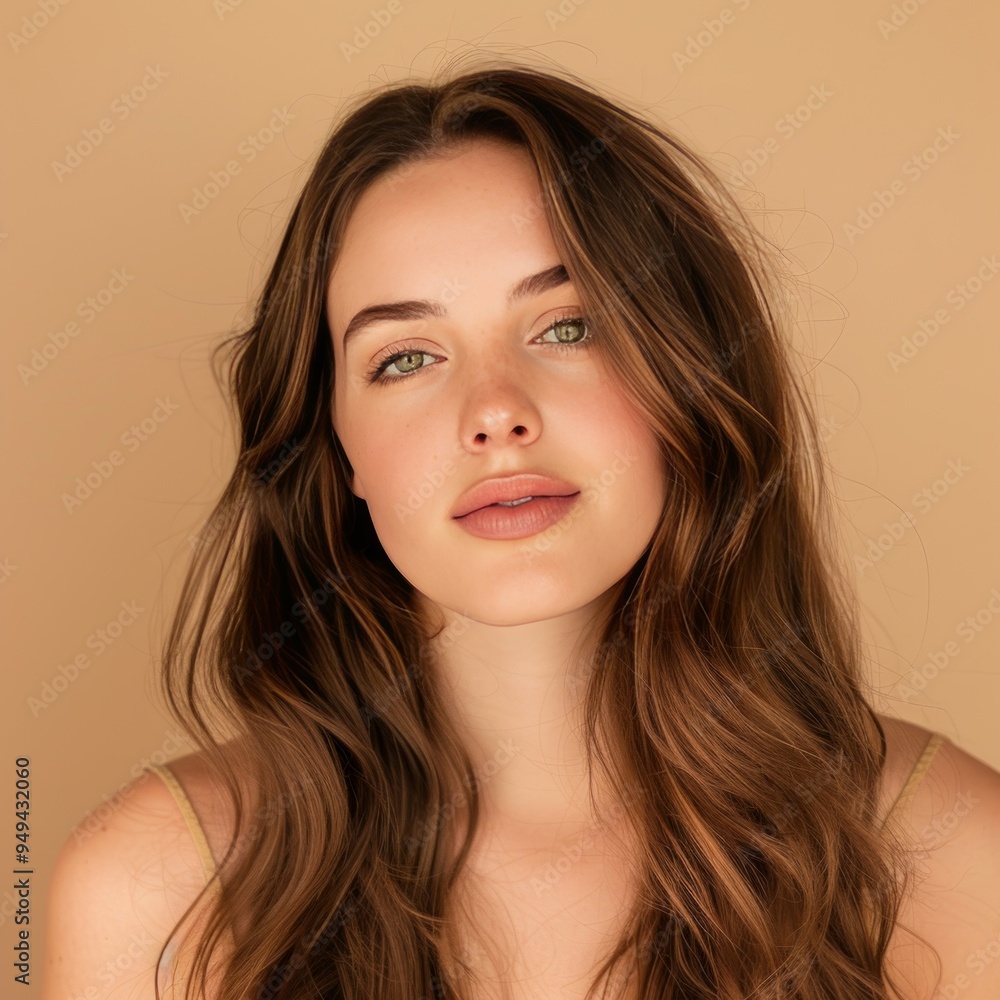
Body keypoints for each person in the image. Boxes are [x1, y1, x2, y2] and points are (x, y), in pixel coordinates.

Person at [41, 53, 1000, 1000]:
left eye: (566, 327)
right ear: (338, 456)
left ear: (691, 380)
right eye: (405, 358)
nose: (495, 413)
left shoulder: (954, 857)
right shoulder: (157, 896)